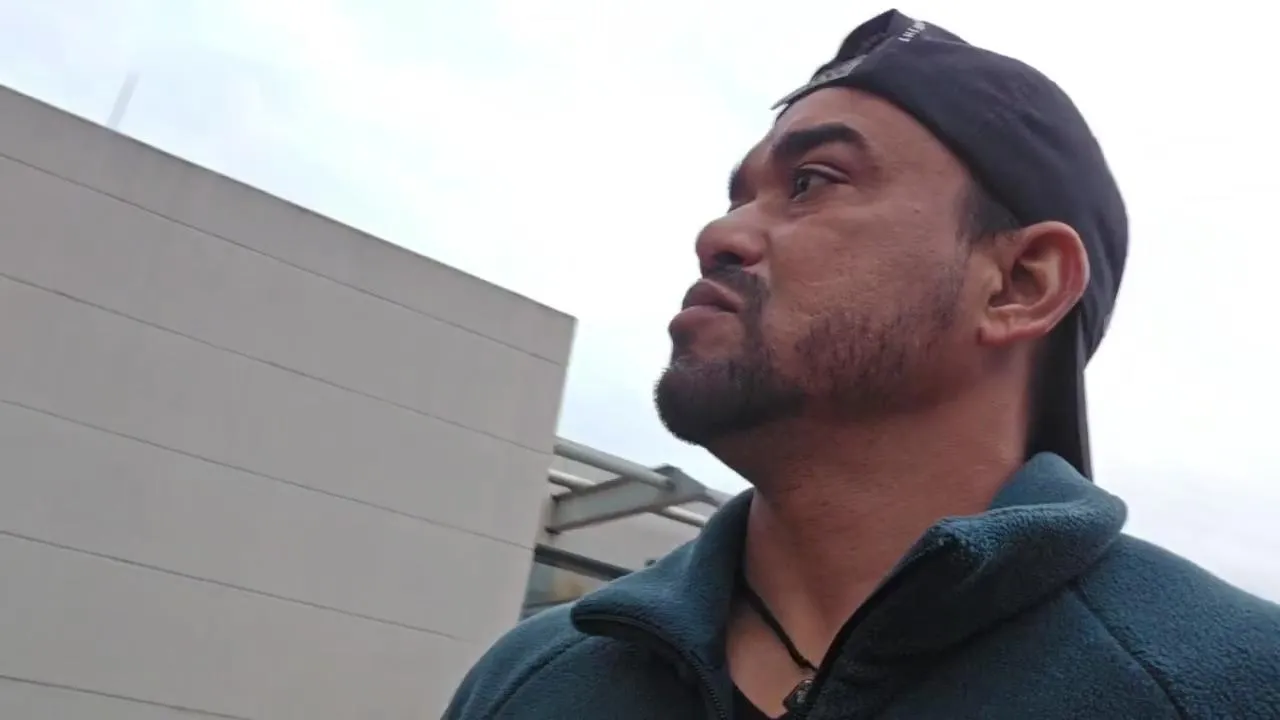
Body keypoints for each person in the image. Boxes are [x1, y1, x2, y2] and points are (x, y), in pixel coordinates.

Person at [444, 9, 1280, 720]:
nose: (719, 234)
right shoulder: (533, 682)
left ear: (1020, 284)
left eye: (812, 182)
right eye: (739, 196)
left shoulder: (1230, 685)